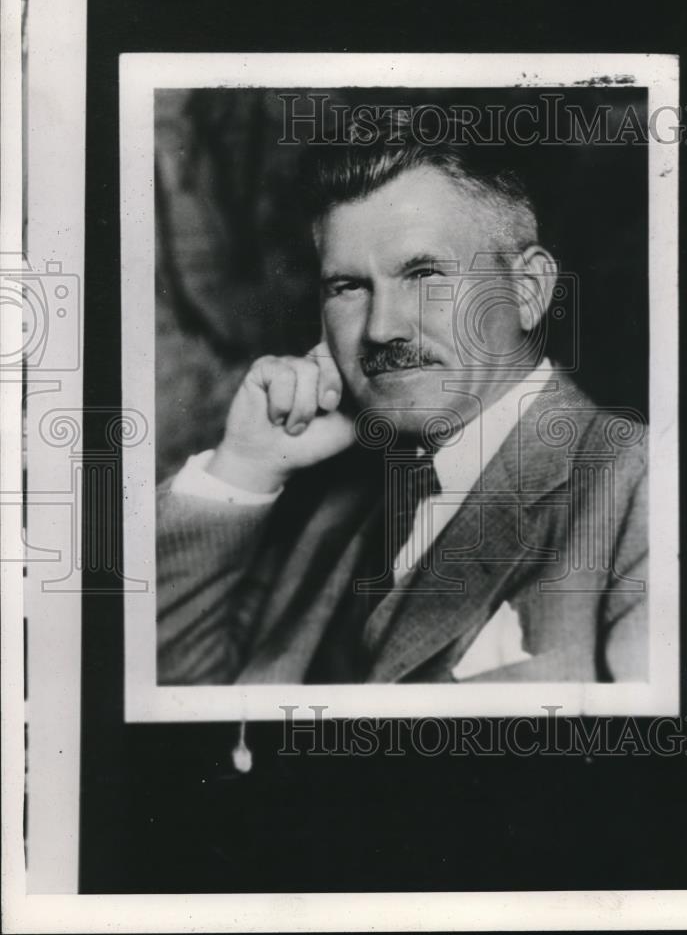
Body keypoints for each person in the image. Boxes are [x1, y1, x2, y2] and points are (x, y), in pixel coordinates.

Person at [156, 112, 647, 685]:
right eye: (348, 287)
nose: (381, 329)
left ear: (529, 288)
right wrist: (246, 466)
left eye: (424, 274)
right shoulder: (329, 505)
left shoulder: (642, 488)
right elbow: (181, 702)